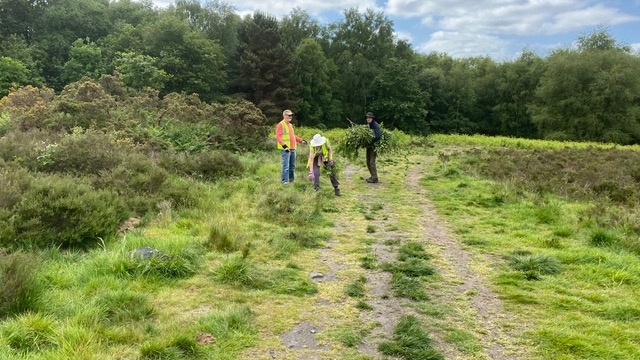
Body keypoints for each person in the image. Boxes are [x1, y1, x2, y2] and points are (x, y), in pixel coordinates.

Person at [275, 109, 306, 184]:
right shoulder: (280, 125)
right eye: (289, 115)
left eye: (291, 115)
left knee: (292, 166)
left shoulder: (290, 125)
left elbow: (292, 136)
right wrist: (284, 146)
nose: (290, 116)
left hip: (293, 148)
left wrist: (301, 140)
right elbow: (278, 137)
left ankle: (291, 180)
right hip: (286, 149)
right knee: (286, 166)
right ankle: (284, 181)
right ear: (284, 116)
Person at [365, 112, 381, 183]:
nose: (368, 119)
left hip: (374, 146)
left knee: (372, 162)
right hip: (369, 146)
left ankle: (375, 178)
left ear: (372, 118)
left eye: (369, 117)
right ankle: (372, 176)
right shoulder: (368, 125)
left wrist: (371, 140)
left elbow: (378, 136)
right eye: (367, 118)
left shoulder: (375, 125)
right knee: (368, 161)